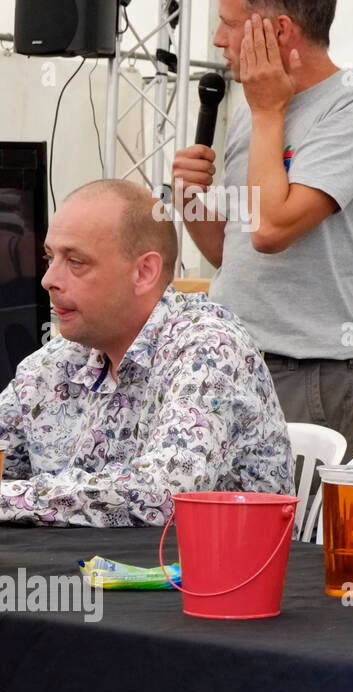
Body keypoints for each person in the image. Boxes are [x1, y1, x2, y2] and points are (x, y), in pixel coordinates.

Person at [171, 0, 353, 459]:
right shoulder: (257, 110)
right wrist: (188, 198)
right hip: (231, 360)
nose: (218, 38)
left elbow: (272, 232)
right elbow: (234, 252)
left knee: (300, 540)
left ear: (278, 30)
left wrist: (269, 112)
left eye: (230, 23)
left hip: (306, 377)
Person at [0, 180, 292, 527]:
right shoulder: (56, 361)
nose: (48, 279)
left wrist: (14, 498)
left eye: (75, 261)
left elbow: (165, 493)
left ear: (144, 272)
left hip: (213, 577)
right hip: (92, 574)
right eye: (51, 257)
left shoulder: (210, 348)